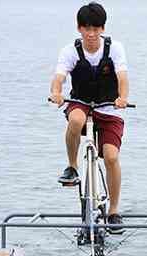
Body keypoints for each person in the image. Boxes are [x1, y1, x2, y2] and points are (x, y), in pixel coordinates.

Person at [49, 2, 130, 229]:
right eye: (87, 28)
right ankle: (72, 166)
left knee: (112, 157)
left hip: (108, 109)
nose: (92, 34)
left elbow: (122, 77)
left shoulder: (114, 48)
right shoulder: (70, 51)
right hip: (81, 104)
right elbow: (59, 77)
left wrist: (122, 97)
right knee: (76, 120)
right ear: (79, 28)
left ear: (103, 29)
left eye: (96, 29)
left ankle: (113, 211)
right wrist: (56, 93)